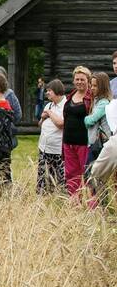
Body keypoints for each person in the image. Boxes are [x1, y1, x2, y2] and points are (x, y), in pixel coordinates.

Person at [62, 66, 92, 198]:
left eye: (82, 79)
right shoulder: (70, 96)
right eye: (77, 79)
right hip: (68, 141)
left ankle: (91, 203)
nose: (79, 82)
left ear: (88, 81)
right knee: (71, 173)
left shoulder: (91, 98)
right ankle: (74, 203)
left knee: (86, 173)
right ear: (73, 81)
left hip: (84, 142)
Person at [37, 79, 67, 194]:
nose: (47, 93)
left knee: (59, 177)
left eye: (49, 90)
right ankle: (44, 196)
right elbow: (40, 124)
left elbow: (60, 124)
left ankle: (59, 197)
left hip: (57, 149)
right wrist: (43, 117)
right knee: (44, 177)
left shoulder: (65, 105)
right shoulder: (48, 105)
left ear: (57, 91)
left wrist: (49, 113)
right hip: (44, 147)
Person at [84, 71, 112, 165]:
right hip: (93, 143)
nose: (92, 88)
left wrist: (85, 118)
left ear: (103, 87)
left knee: (92, 173)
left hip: (100, 145)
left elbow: (90, 121)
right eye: (91, 85)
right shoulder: (96, 101)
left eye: (95, 86)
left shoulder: (103, 103)